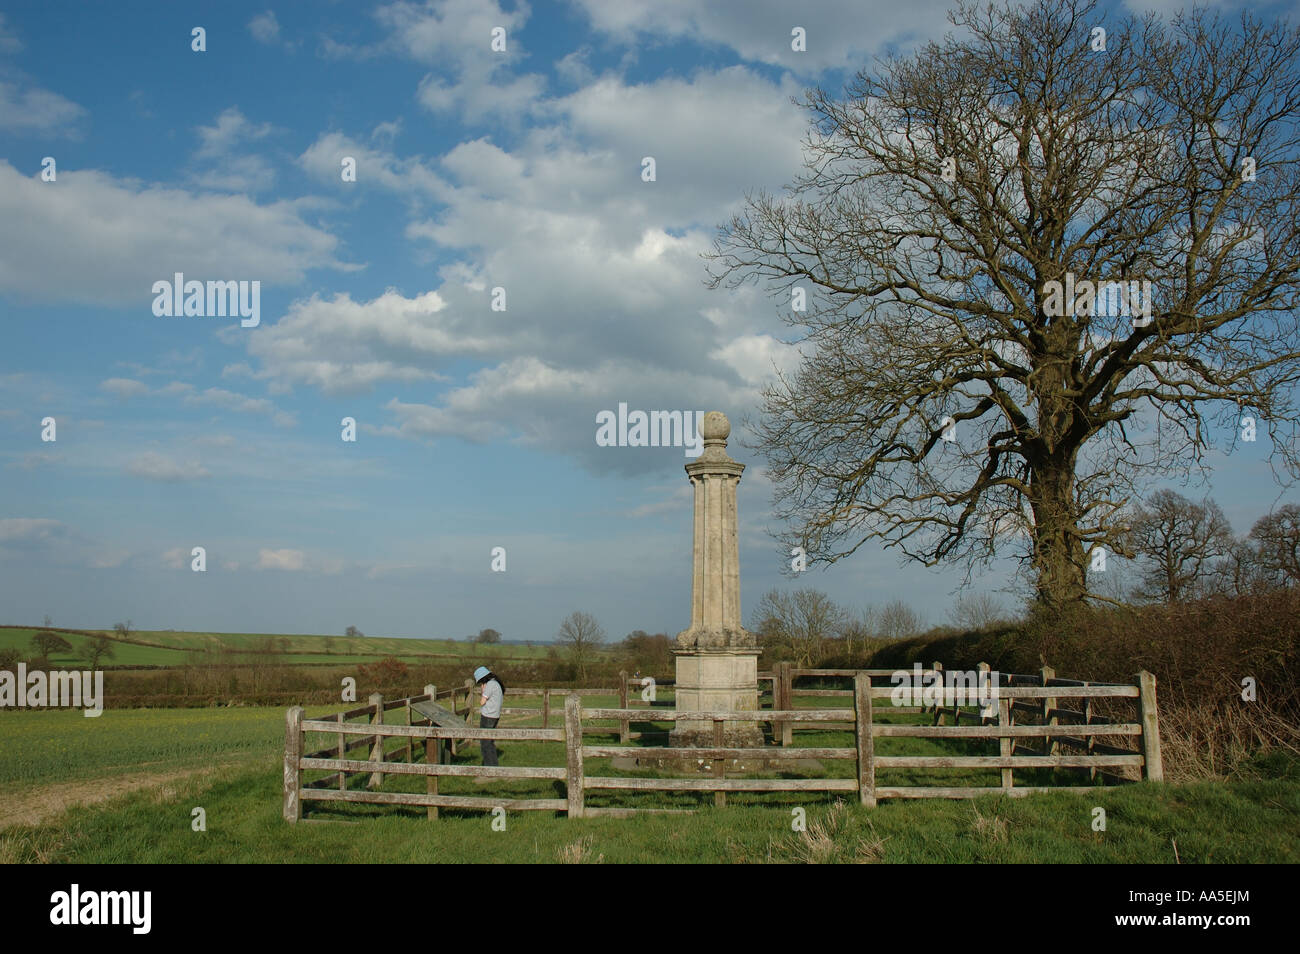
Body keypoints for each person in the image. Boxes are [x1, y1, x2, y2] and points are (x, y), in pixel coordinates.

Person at [473, 665, 505, 766]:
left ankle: (488, 767)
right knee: (490, 742)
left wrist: (483, 690)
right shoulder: (496, 683)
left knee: (485, 743)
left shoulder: (490, 685)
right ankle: (493, 766)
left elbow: (482, 702)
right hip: (495, 715)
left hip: (488, 716)